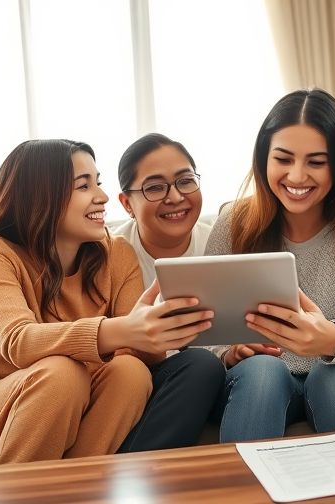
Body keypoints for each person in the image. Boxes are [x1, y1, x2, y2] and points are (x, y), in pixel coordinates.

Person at [0, 139, 217, 467]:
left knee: (131, 372)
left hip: (90, 395)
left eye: (97, 182)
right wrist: (122, 330)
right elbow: (18, 341)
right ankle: (14, 488)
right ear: (41, 195)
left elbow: (134, 354)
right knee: (62, 373)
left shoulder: (116, 253)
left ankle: (81, 485)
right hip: (7, 403)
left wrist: (155, 335)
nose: (102, 196)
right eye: (84, 186)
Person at [204, 89, 335, 442]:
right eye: (283, 159)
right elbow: (201, 332)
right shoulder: (234, 222)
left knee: (333, 376)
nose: (297, 176)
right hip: (257, 379)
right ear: (263, 160)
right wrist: (230, 352)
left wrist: (330, 340)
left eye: (316, 162)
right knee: (263, 371)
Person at [110, 133, 226, 450]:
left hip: (212, 376)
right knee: (200, 365)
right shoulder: (108, 253)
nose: (175, 197)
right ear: (127, 203)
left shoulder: (220, 244)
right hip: (142, 380)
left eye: (185, 181)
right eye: (155, 187)